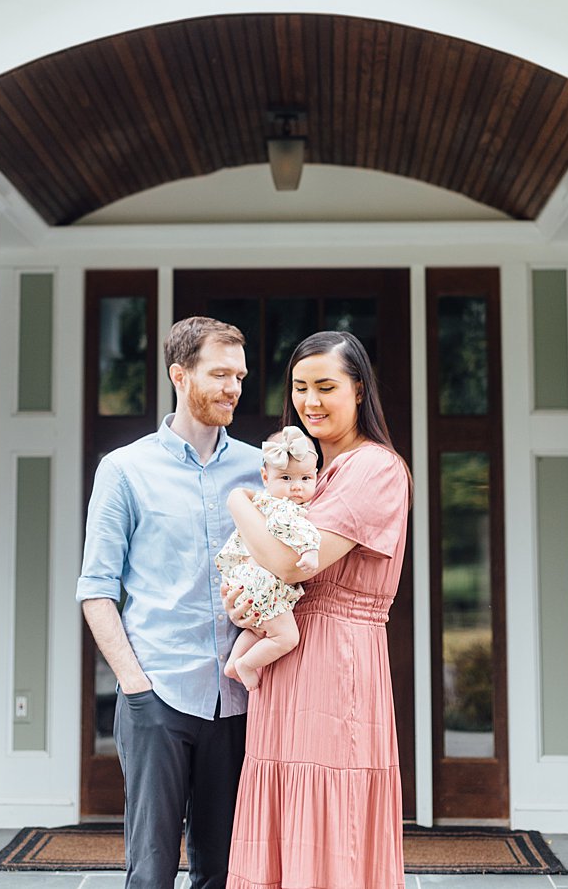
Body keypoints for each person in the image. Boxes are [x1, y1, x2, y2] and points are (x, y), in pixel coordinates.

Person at [76, 316, 262, 889]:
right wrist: (135, 685)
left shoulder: (260, 469)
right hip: (157, 694)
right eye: (221, 373)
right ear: (180, 375)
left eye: (241, 375)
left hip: (238, 699)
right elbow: (97, 589)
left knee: (225, 870)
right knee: (151, 870)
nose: (234, 387)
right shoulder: (125, 470)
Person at [222, 330, 412, 889]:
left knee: (332, 811)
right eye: (300, 387)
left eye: (326, 386)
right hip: (286, 662)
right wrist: (246, 603)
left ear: (359, 390)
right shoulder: (310, 477)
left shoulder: (373, 468)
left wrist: (236, 501)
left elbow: (291, 563)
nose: (310, 401)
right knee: (283, 804)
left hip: (337, 665)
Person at [216, 425, 322, 692]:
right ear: (265, 477)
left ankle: (233, 662)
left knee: (259, 630)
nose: (296, 487)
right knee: (286, 637)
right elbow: (293, 530)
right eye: (286, 478)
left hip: (249, 581)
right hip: (262, 581)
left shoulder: (263, 502)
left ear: (316, 476)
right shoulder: (280, 507)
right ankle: (247, 665)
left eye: (305, 479)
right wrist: (310, 551)